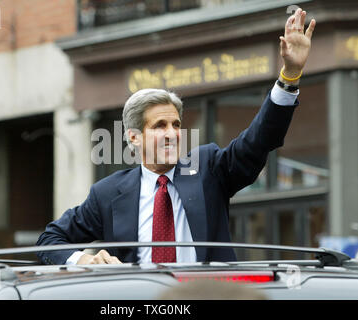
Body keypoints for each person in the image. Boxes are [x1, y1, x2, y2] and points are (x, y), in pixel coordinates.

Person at [36, 8, 316, 265]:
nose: (171, 134)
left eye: (176, 124)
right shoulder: (108, 193)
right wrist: (84, 260)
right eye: (159, 126)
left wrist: (290, 77)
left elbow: (258, 141)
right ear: (134, 138)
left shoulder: (208, 168)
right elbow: (48, 242)